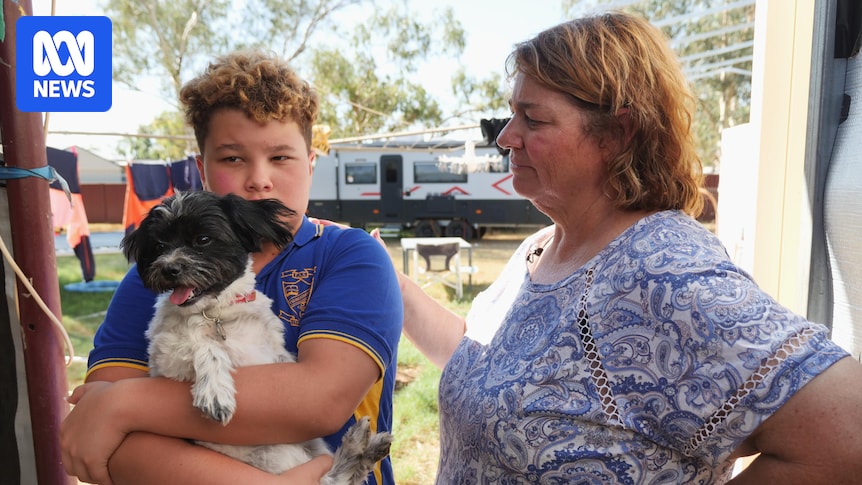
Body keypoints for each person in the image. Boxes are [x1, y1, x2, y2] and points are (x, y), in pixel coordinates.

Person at [387, 12, 862, 484]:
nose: (507, 137)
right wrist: (396, 287)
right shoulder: (541, 249)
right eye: (512, 115)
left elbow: (847, 436)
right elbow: (482, 368)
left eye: (532, 119)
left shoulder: (661, 271)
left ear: (617, 133)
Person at [60, 50, 403, 485]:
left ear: (311, 165)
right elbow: (98, 447)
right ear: (201, 169)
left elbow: (319, 401)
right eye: (233, 159)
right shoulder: (154, 281)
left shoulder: (348, 257)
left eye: (281, 157)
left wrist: (121, 404)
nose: (260, 179)